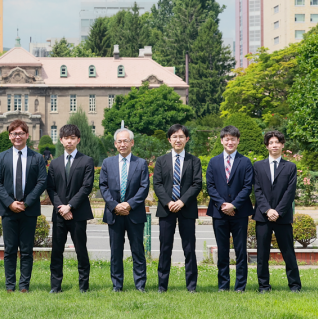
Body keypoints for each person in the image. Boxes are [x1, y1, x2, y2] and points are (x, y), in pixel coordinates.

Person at [0, 120, 47, 293]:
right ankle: (10, 285)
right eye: (14, 133)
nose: (18, 136)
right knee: (9, 250)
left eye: (21, 133)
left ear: (27, 135)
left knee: (26, 250)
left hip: (29, 210)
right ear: (9, 136)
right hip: (9, 210)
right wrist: (10, 202)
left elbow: (42, 181)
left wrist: (27, 202)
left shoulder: (36, 158)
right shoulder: (2, 157)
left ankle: (24, 285)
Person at [153, 124, 202, 293]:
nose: (178, 140)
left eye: (181, 136)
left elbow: (197, 184)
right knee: (165, 248)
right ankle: (162, 286)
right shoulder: (161, 161)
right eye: (174, 137)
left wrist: (182, 201)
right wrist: (168, 202)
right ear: (169, 140)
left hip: (186, 209)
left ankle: (191, 286)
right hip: (166, 210)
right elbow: (157, 184)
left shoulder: (194, 161)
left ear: (187, 139)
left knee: (189, 248)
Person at [99, 128, 150, 292]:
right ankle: (117, 285)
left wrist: (129, 204)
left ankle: (140, 285)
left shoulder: (140, 163)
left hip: (134, 213)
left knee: (138, 251)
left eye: (125, 141)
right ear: (115, 144)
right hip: (114, 214)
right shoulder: (107, 163)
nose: (122, 144)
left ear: (132, 143)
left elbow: (144, 187)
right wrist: (115, 206)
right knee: (116, 252)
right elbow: (103, 187)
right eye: (119, 141)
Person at [47, 124, 94, 293]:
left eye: (73, 138)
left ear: (78, 140)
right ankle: (55, 286)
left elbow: (86, 187)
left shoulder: (86, 161)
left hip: (78, 214)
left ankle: (84, 286)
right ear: (61, 140)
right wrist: (62, 208)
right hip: (59, 214)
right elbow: (50, 188)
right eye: (66, 138)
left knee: (81, 251)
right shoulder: (54, 163)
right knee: (56, 251)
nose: (69, 141)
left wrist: (70, 206)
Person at [206, 126, 254, 292]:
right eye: (227, 139)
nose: (230, 142)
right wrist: (222, 204)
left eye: (233, 139)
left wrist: (234, 205)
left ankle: (240, 286)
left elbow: (247, 187)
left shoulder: (245, 162)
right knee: (223, 250)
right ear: (221, 141)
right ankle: (223, 285)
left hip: (240, 212)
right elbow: (210, 186)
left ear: (238, 141)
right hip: (219, 213)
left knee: (241, 250)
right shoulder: (213, 162)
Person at [253, 130, 302, 293]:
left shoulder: (290, 167)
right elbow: (257, 190)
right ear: (267, 146)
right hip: (263, 216)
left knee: (288, 252)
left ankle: (295, 285)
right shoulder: (258, 166)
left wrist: (278, 211)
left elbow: (290, 192)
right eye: (271, 142)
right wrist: (267, 210)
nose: (274, 145)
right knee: (262, 254)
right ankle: (263, 286)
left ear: (282, 145)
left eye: (277, 142)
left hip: (283, 216)